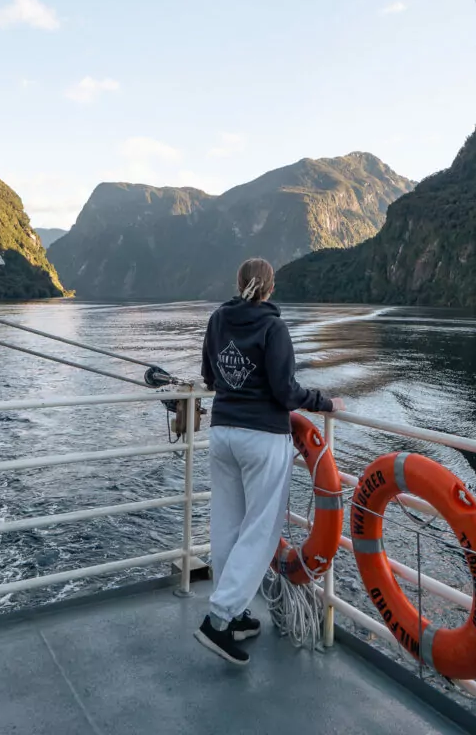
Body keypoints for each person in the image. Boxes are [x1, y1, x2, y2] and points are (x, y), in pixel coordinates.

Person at [194, 257, 345, 665]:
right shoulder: (274, 327)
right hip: (262, 439)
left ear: (238, 281)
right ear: (269, 288)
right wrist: (326, 402)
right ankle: (219, 619)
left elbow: (210, 376)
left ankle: (236, 613)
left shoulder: (217, 320)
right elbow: (286, 391)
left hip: (223, 434)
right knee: (261, 531)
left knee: (226, 525)